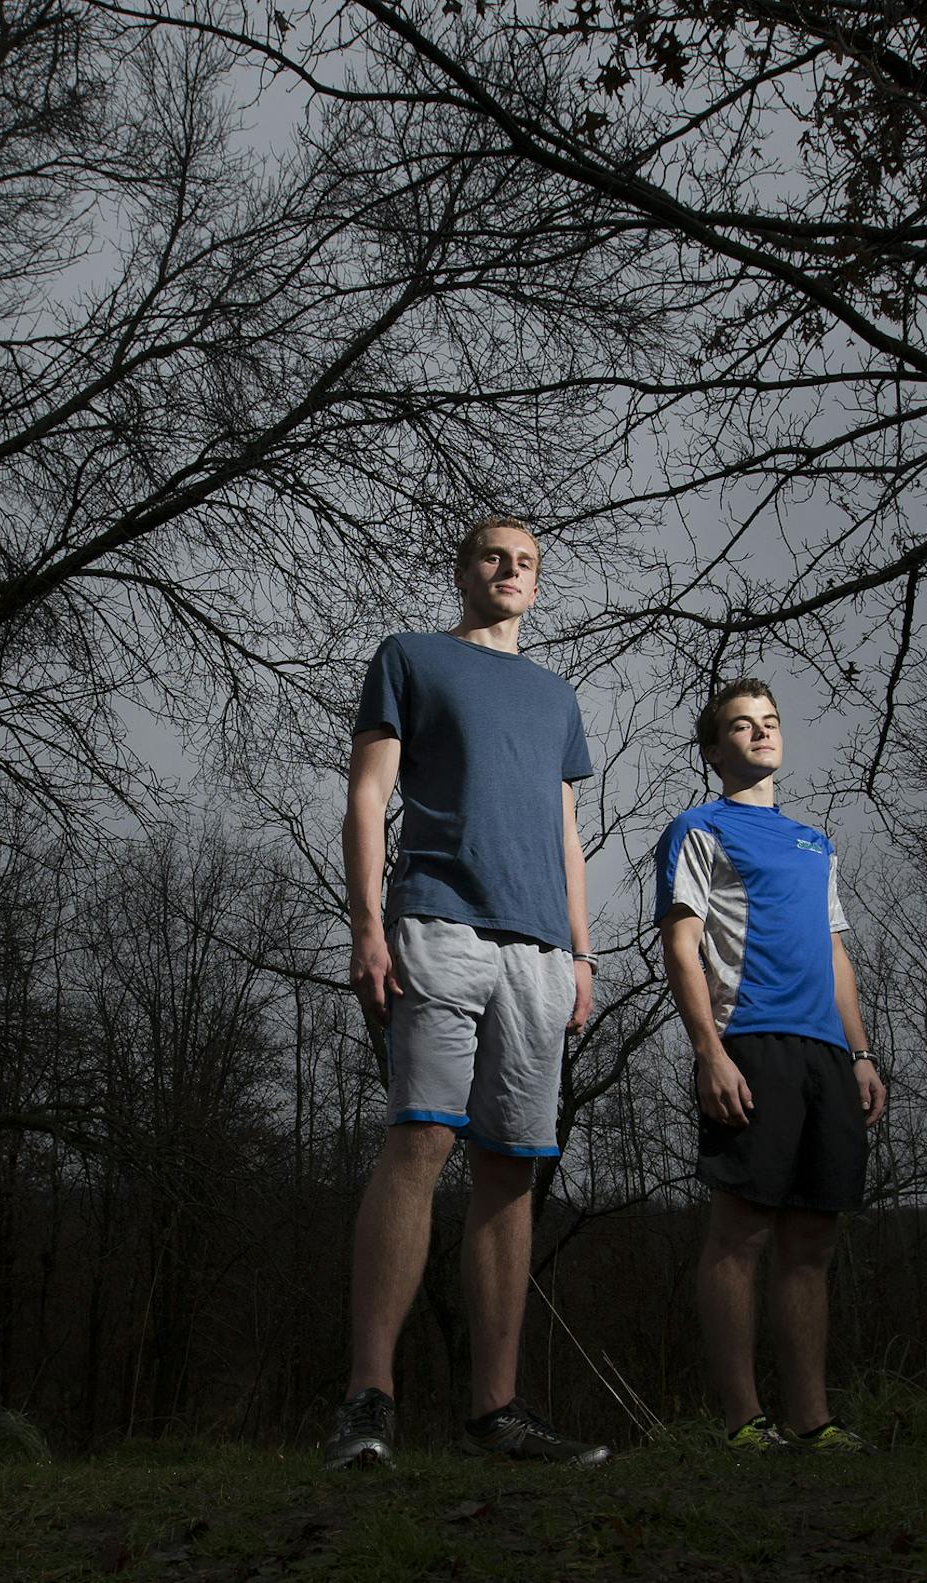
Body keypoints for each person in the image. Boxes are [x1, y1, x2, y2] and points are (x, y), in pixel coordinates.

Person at [322, 516, 608, 1470]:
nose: (512, 570)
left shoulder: (557, 695)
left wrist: (583, 952)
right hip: (438, 921)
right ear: (464, 567)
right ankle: (368, 1401)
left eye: (527, 562)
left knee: (510, 1164)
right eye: (495, 555)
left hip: (539, 951)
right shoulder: (408, 656)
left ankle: (497, 1414)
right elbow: (369, 792)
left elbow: (567, 831)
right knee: (422, 1137)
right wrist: (368, 922)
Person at [654, 679, 886, 1454]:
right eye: (740, 726)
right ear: (714, 749)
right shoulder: (698, 827)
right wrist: (707, 1051)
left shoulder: (814, 841)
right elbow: (680, 945)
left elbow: (835, 951)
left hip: (827, 1054)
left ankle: (813, 1421)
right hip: (748, 1042)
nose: (759, 734)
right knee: (740, 1234)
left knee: (813, 1240)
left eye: (769, 723)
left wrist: (859, 1052)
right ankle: (744, 1420)